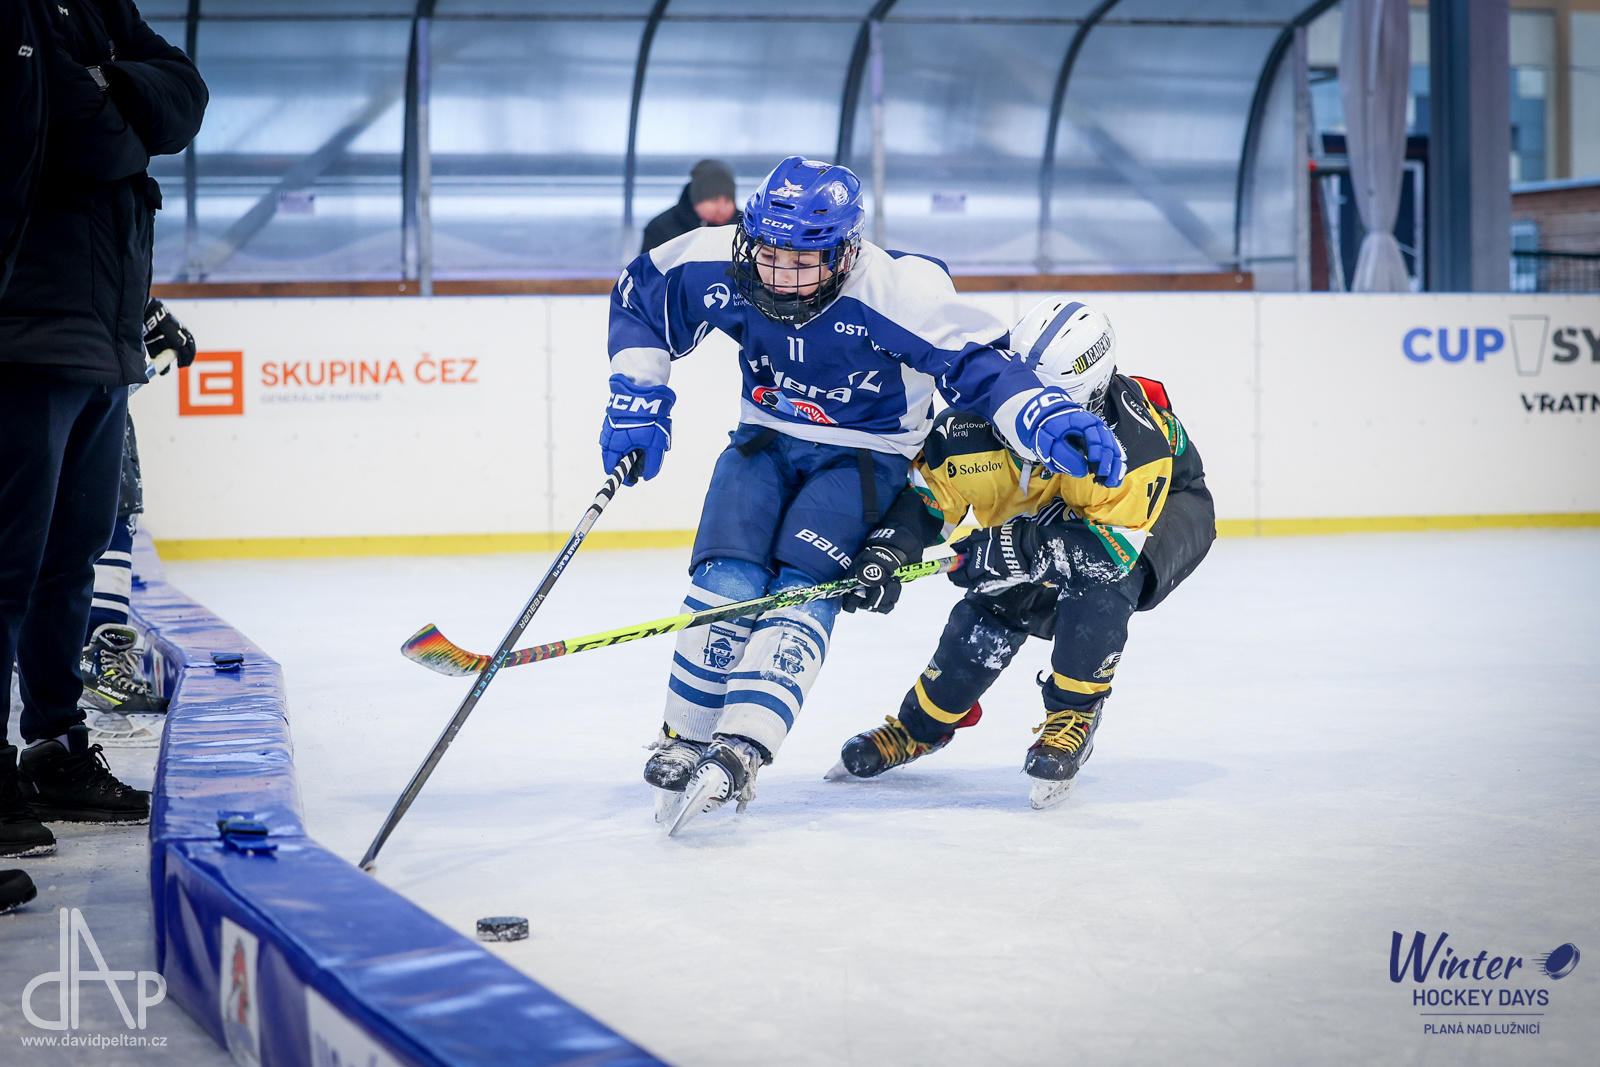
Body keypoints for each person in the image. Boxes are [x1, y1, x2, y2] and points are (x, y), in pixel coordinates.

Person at [600, 156, 1126, 834]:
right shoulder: (721, 258)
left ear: (845, 252)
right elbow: (642, 293)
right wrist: (637, 394)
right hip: (763, 438)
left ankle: (745, 743)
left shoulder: (896, 290)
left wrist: (1044, 414)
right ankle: (684, 733)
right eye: (770, 254)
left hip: (864, 455)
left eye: (803, 261)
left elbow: (979, 363)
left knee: (803, 583)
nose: (780, 275)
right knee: (724, 576)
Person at [827, 297, 1216, 809]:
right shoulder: (966, 425)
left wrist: (1014, 545)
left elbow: (1111, 552)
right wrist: (889, 548)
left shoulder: (1131, 445)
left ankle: (1075, 712)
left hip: (1161, 513)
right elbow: (927, 501)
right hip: (1050, 513)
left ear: (1090, 397)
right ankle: (922, 726)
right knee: (993, 606)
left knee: (1098, 588)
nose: (1032, 419)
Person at [0, 0, 207, 855]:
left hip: (104, 333)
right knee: (8, 566)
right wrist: (126, 104)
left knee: (70, 560)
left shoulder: (99, 4)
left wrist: (110, 82)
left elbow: (185, 98)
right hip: (25, 328)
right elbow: (87, 136)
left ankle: (54, 746)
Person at [79, 298, 196, 731]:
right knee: (108, 501)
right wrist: (147, 311)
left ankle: (64, 655)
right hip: (76, 366)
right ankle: (96, 660)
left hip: (42, 367)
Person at [639, 158, 740, 253]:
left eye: (727, 201)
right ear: (695, 200)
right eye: (714, 200)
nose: (722, 209)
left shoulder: (745, 228)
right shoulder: (660, 229)